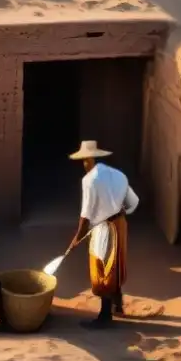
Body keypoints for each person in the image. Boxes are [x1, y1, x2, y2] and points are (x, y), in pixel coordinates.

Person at [67, 140, 139, 328]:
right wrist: (117, 211)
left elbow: (86, 215)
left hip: (104, 228)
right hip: (121, 224)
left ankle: (105, 316)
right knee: (114, 265)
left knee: (102, 269)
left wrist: (76, 238)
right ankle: (118, 305)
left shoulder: (89, 180)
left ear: (86, 160)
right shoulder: (118, 175)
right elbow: (133, 202)